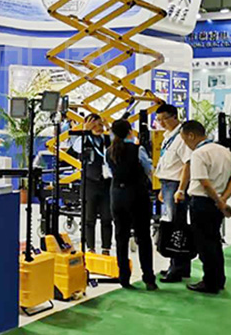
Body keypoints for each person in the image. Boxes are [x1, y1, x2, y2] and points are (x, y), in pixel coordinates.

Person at [180, 120, 231, 294]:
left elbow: (204, 183)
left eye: (185, 140)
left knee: (204, 244)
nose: (186, 144)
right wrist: (222, 200)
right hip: (217, 202)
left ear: (191, 135)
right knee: (214, 241)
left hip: (202, 202)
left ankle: (210, 282)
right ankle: (218, 279)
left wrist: (219, 201)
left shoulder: (199, 154)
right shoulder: (225, 151)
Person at [106, 120, 157, 290]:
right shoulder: (138, 149)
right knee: (143, 237)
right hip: (137, 195)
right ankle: (148, 278)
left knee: (121, 237)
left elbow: (111, 172)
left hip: (117, 196)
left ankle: (124, 278)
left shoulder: (109, 151)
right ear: (130, 131)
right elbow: (149, 169)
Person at [154, 104, 194, 283]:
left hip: (176, 185)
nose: (161, 123)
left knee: (177, 226)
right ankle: (179, 266)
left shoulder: (181, 137)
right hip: (167, 184)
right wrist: (162, 189)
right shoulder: (168, 137)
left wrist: (181, 189)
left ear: (174, 117)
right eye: (158, 120)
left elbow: (188, 164)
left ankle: (177, 268)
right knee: (173, 224)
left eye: (164, 119)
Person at [74, 113, 113, 255]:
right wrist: (85, 131)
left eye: (100, 124)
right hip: (90, 182)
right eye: (94, 125)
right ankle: (90, 247)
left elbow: (118, 143)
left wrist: (108, 128)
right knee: (89, 218)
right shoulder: (83, 139)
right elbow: (76, 148)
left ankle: (106, 248)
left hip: (107, 183)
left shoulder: (107, 138)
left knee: (107, 218)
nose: (98, 128)